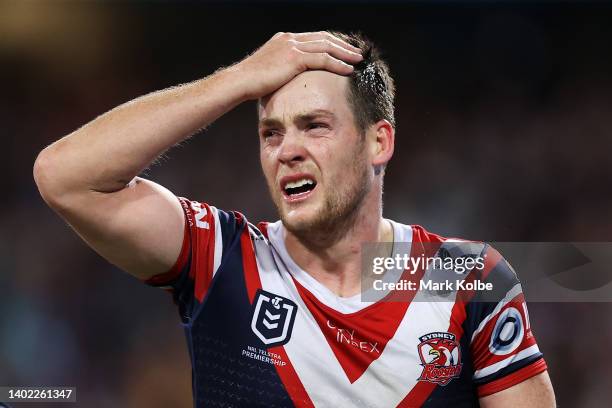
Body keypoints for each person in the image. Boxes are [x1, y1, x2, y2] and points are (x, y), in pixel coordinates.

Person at [34, 31, 555, 407]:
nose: (288, 151)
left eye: (315, 126)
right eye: (271, 133)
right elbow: (64, 176)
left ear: (379, 141)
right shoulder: (222, 256)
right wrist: (236, 80)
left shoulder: (464, 277)